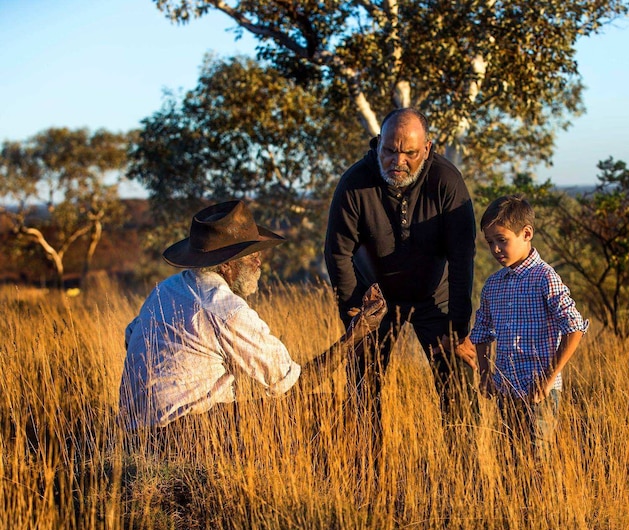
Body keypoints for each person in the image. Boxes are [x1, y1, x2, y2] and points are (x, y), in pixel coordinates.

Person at [119, 199, 386, 433]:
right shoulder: (224, 308)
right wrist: (356, 334)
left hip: (134, 432)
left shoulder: (165, 289)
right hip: (187, 433)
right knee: (331, 407)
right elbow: (293, 385)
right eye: (251, 257)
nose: (259, 263)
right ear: (226, 264)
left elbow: (131, 338)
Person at [323, 107, 478, 439]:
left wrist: (460, 328)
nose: (398, 160)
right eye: (390, 150)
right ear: (378, 144)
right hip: (374, 300)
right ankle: (366, 477)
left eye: (409, 152)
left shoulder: (447, 182)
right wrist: (354, 315)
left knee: (458, 390)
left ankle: (467, 480)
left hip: (434, 297)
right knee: (362, 391)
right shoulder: (354, 183)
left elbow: (463, 258)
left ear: (427, 148)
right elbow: (337, 253)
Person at [470, 195, 589, 463]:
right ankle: (515, 504)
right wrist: (486, 374)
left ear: (526, 234)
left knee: (537, 456)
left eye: (502, 240)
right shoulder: (494, 284)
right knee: (512, 454)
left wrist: (549, 378)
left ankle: (539, 504)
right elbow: (481, 333)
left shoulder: (545, 278)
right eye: (490, 243)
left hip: (539, 391)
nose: (496, 249)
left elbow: (574, 328)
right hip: (506, 388)